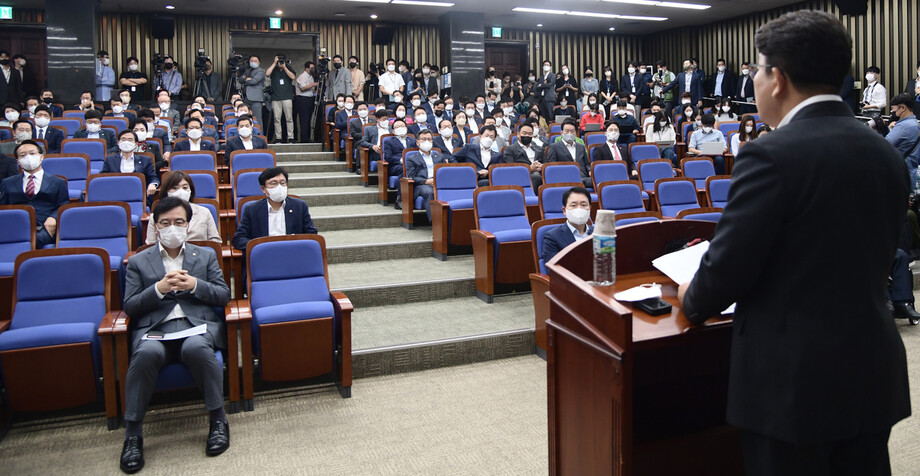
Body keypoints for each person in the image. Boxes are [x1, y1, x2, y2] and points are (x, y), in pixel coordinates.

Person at [677, 12, 909, 476]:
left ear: (777, 78)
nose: (757, 81)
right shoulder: (883, 150)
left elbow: (724, 276)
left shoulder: (769, 154)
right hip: (870, 370)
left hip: (793, 385)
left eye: (758, 71)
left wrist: (690, 294)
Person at [119, 196, 231, 473]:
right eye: (165, 223)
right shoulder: (138, 261)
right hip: (155, 330)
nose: (172, 228)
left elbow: (223, 295)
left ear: (188, 224)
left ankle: (218, 420)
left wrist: (195, 285)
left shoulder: (204, 255)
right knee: (146, 354)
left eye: (179, 222)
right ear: (156, 227)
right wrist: (158, 289)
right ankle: (133, 434)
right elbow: (130, 306)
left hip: (195, 327)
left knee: (197, 349)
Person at [0, 140, 69, 248]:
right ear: (18, 162)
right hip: (15, 226)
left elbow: (63, 204)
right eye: (23, 155)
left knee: (32, 241)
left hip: (44, 227)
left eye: (32, 154)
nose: (28, 157)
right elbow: (3, 206)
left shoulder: (58, 182)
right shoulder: (8, 182)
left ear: (41, 157)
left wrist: (53, 218)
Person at [232, 167, 317, 252]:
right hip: (265, 255)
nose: (279, 187)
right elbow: (239, 239)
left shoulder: (299, 206)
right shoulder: (252, 210)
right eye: (273, 183)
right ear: (263, 189)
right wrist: (259, 246)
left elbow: (311, 234)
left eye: (282, 183)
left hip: (293, 253)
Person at [144, 171, 220, 245]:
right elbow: (150, 246)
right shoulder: (154, 217)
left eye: (185, 187)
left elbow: (215, 242)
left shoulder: (204, 212)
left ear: (190, 190)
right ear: (166, 191)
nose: (181, 191)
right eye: (175, 188)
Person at [406, 130, 452, 220]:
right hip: (422, 185)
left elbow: (445, 172)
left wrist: (437, 181)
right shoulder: (411, 158)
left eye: (429, 139)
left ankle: (451, 220)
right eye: (423, 139)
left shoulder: (439, 156)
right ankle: (436, 223)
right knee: (429, 192)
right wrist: (426, 181)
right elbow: (412, 176)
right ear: (417, 142)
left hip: (439, 183)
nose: (427, 141)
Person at [542, 186, 593, 263]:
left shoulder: (599, 233)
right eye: (573, 205)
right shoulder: (552, 237)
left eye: (583, 205)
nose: (579, 209)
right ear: (564, 210)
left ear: (590, 208)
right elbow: (553, 269)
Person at [102, 130, 160, 197]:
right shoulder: (109, 159)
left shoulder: (145, 160)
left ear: (136, 144)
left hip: (138, 194)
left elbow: (153, 177)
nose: (126, 142)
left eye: (130, 140)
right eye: (123, 139)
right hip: (115, 194)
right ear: (118, 142)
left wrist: (152, 184)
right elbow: (103, 177)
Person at [545, 119, 592, 188]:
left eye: (572, 131)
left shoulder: (581, 146)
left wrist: (590, 170)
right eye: (566, 131)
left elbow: (586, 164)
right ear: (561, 132)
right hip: (565, 177)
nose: (569, 133)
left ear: (576, 133)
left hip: (583, 176)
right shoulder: (554, 147)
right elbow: (552, 166)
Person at [886, 94, 920, 185]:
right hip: (909, 173)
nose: (892, 111)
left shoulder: (904, 126)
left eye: (893, 108)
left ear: (903, 108)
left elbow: (885, 145)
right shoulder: (913, 123)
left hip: (900, 175)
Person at [502, 122, 544, 190]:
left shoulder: (539, 149)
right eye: (524, 133)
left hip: (540, 175)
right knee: (536, 176)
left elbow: (546, 164)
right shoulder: (510, 149)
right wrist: (529, 169)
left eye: (530, 134)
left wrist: (542, 167)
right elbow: (510, 169)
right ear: (518, 134)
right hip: (520, 178)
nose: (527, 135)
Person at [266, 55, 296, 144]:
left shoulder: (289, 68)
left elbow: (293, 77)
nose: (280, 62)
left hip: (287, 97)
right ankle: (278, 137)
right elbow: (267, 73)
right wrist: (274, 63)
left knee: (289, 118)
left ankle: (291, 137)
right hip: (276, 97)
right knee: (277, 118)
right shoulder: (274, 69)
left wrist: (285, 67)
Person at [294, 61, 317, 143]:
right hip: (302, 99)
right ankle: (304, 138)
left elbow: (312, 89)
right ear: (307, 68)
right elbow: (303, 88)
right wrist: (313, 84)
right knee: (304, 119)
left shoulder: (311, 76)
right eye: (311, 68)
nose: (313, 70)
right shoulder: (302, 76)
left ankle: (308, 137)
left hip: (310, 98)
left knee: (308, 119)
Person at [241, 55, 266, 129]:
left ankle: (260, 136)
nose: (253, 62)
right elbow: (240, 79)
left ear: (259, 62)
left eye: (255, 61)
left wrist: (247, 80)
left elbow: (254, 81)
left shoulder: (260, 71)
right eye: (251, 61)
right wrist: (247, 79)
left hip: (256, 99)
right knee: (246, 119)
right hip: (247, 98)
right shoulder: (247, 70)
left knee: (257, 119)